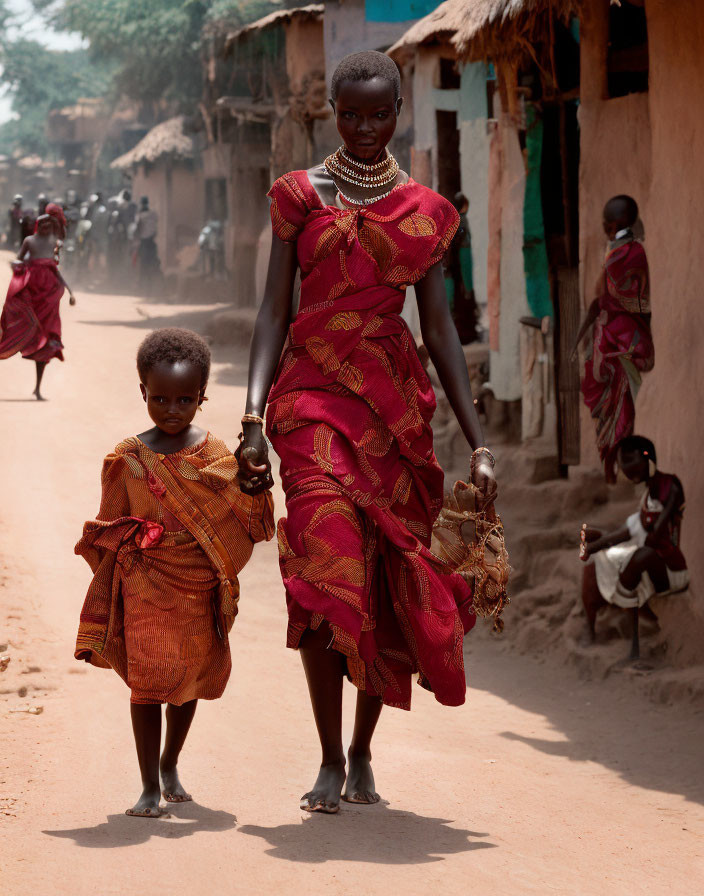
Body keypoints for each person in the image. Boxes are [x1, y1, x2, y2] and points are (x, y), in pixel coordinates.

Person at [240, 51, 497, 814]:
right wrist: (253, 419)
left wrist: (478, 441)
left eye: (376, 115)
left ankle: (361, 752)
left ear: (397, 115)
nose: (361, 128)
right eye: (347, 115)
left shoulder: (425, 211)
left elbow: (441, 332)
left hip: (391, 412)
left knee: (382, 578)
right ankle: (324, 756)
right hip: (309, 399)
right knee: (327, 575)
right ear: (332, 114)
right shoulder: (297, 197)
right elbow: (271, 313)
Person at [74, 328, 275, 817]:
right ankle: (146, 784)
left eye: (185, 399)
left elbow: (249, 520)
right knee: (146, 683)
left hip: (197, 586)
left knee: (186, 680)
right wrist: (129, 544)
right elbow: (108, 523)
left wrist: (256, 485)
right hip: (142, 583)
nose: (171, 409)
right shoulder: (126, 457)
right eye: (160, 398)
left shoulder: (215, 457)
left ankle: (170, 763)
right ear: (142, 391)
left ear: (202, 398)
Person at [579, 436, 688, 658]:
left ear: (647, 458)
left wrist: (609, 541)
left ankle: (634, 646)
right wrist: (597, 544)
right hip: (648, 556)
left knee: (636, 559)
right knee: (595, 566)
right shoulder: (647, 495)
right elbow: (631, 530)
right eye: (622, 463)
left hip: (669, 566)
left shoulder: (670, 486)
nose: (625, 469)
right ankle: (592, 630)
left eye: (630, 461)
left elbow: (654, 533)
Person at [574, 195, 654, 482]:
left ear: (613, 225)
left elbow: (630, 298)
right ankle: (612, 458)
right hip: (613, 334)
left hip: (624, 338)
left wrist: (604, 307)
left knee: (620, 400)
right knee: (602, 393)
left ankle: (617, 460)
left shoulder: (628, 253)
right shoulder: (622, 251)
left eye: (607, 224)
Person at [0, 203, 76, 399]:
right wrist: (21, 268)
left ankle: (38, 387)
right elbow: (19, 260)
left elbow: (56, 267)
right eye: (42, 225)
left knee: (46, 339)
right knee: (19, 328)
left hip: (50, 295)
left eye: (48, 226)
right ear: (36, 226)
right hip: (31, 292)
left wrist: (69, 291)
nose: (45, 229)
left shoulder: (54, 242)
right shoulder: (29, 241)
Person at [444, 192, 478, 344]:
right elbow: (465, 255)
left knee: (452, 307)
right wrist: (468, 284)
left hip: (449, 272)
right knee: (462, 305)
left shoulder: (450, 222)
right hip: (459, 275)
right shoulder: (462, 223)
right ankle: (463, 337)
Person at [134, 196, 160, 291]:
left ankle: (143, 287)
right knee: (154, 264)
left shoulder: (140, 216)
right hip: (152, 242)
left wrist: (135, 241)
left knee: (143, 266)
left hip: (144, 243)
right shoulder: (153, 214)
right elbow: (155, 227)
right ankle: (152, 286)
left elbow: (137, 229)